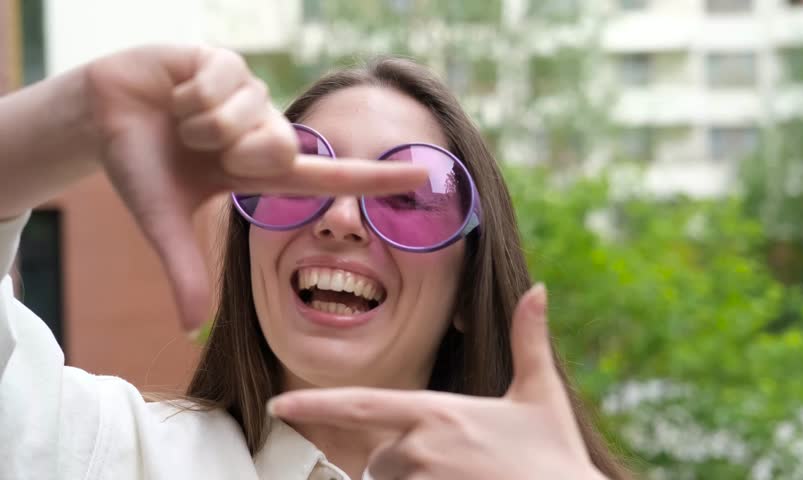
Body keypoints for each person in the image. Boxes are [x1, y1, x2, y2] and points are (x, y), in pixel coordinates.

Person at [0, 45, 631, 479]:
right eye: (296, 181)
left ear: (469, 288)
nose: (339, 218)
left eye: (406, 197)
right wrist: (73, 115)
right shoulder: (108, 453)